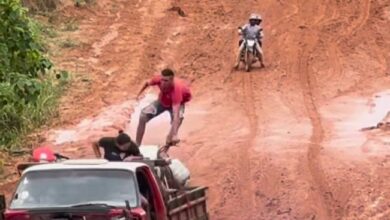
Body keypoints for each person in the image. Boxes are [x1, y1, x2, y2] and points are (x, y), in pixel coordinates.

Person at [135, 68, 192, 146]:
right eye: (162, 80)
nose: (163, 83)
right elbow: (147, 83)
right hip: (162, 101)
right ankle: (137, 145)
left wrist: (175, 134)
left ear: (172, 80)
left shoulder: (176, 90)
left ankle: (169, 141)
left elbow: (175, 114)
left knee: (178, 119)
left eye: (166, 81)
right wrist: (138, 95)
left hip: (176, 103)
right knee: (143, 115)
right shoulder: (158, 79)